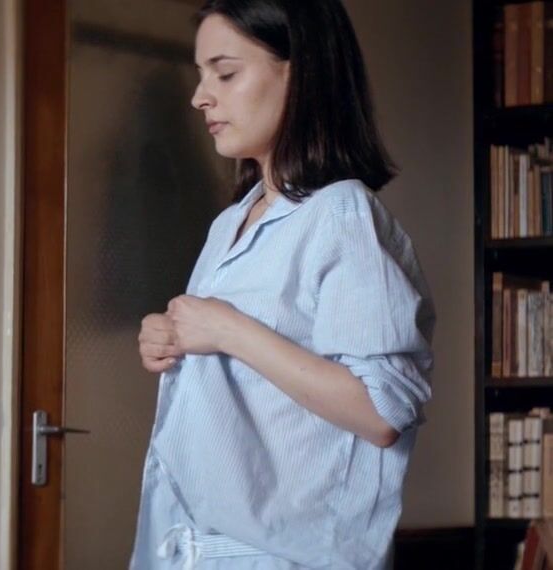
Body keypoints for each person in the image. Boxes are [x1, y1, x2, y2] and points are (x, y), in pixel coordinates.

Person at [131, 1, 434, 567]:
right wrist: (172, 339)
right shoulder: (231, 222)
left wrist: (229, 330)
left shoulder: (341, 214)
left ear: (301, 75)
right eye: (200, 75)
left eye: (225, 73)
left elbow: (381, 411)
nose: (199, 97)